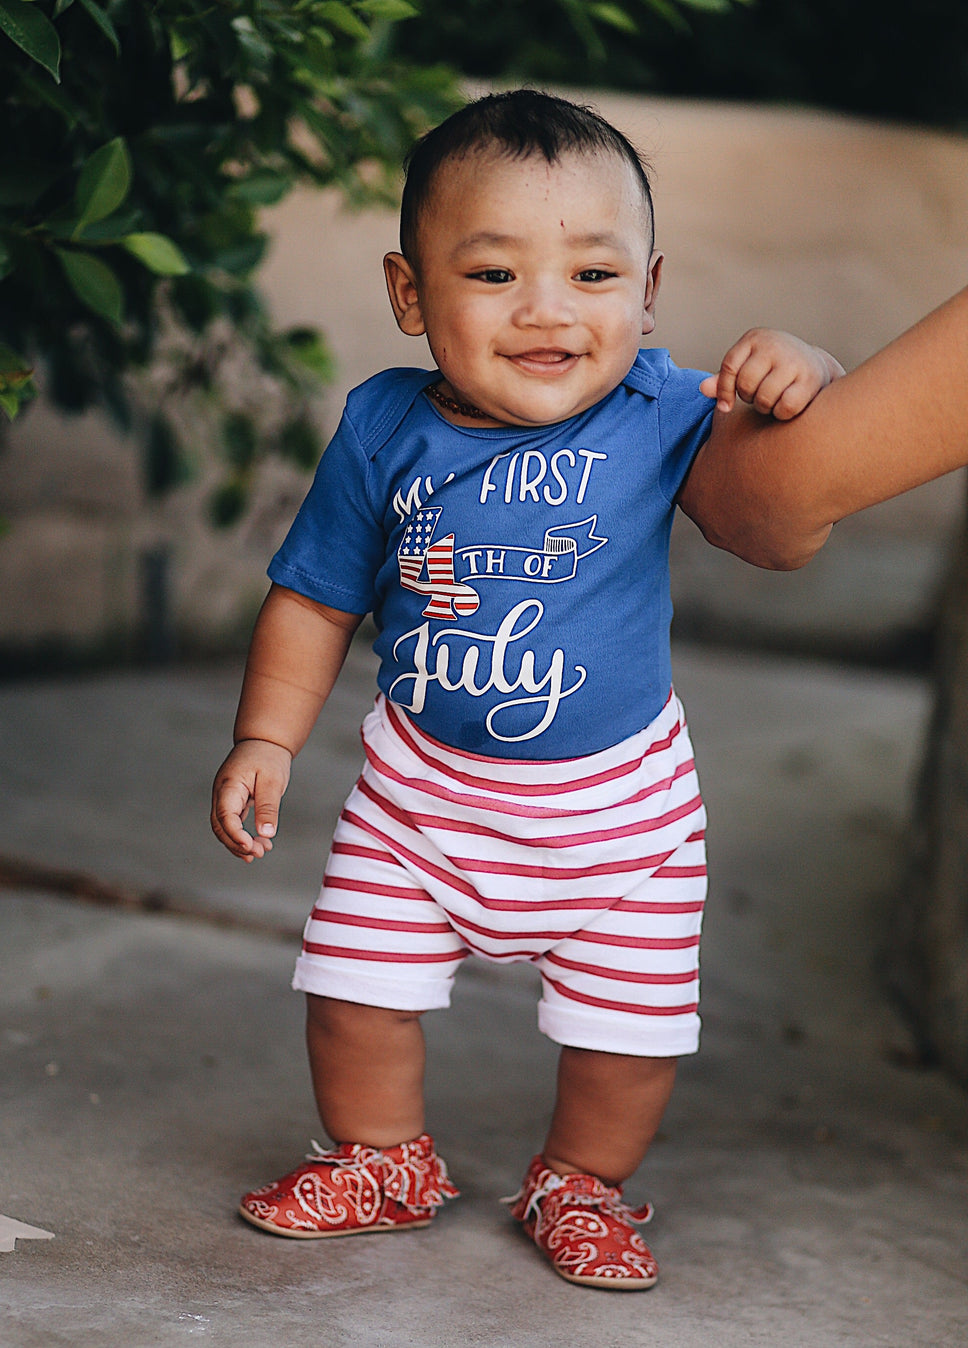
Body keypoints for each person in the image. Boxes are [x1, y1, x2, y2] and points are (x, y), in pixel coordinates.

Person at [209, 89, 964, 1289]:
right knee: (349, 984)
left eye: (594, 276)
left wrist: (803, 366)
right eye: (495, 274)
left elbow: (802, 446)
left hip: (623, 826)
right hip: (418, 806)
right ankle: (382, 1155)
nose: (548, 311)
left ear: (649, 290)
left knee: (628, 1038)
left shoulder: (661, 407)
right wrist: (266, 737)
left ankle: (582, 1181)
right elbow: (313, 598)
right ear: (410, 294)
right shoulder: (380, 428)